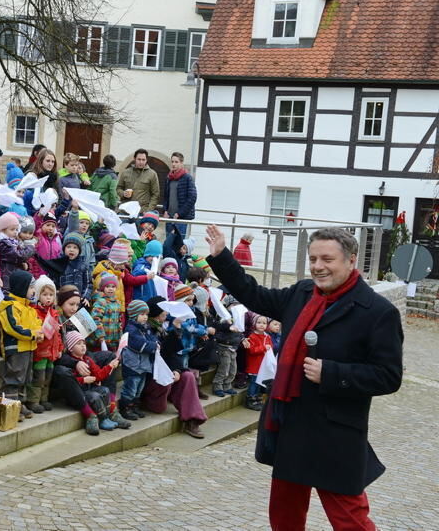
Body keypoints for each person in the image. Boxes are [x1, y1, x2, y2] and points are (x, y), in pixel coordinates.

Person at [204, 224, 403, 531]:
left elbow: (389, 376)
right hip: (291, 424)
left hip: (335, 434)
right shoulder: (302, 292)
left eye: (327, 259)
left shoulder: (377, 312)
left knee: (350, 520)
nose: (318, 267)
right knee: (284, 518)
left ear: (351, 260)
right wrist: (222, 256)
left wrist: (331, 373)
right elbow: (255, 295)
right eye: (313, 259)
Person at [141, 296, 208, 439]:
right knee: (160, 406)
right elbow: (156, 357)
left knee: (188, 376)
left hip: (166, 374)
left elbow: (171, 354)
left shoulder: (162, 328)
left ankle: (192, 420)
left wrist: (176, 370)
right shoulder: (146, 330)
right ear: (157, 314)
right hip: (152, 379)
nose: (166, 316)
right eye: (164, 314)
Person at [0, 270, 43, 421]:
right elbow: (13, 327)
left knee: (25, 378)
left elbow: (36, 324)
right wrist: (32, 334)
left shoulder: (28, 307)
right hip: (15, 348)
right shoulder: (10, 305)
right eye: (31, 288)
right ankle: (8, 405)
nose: (33, 291)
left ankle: (19, 403)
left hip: (28, 347)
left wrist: (40, 332)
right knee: (13, 377)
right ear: (22, 287)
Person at [26, 276, 63, 414]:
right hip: (41, 350)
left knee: (48, 376)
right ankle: (33, 400)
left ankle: (43, 398)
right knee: (38, 376)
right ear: (37, 294)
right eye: (45, 294)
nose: (48, 298)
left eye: (51, 295)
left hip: (51, 351)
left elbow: (58, 335)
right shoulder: (35, 311)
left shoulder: (54, 312)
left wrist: (59, 348)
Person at [118, 300, 157, 421]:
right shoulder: (131, 330)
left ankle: (134, 406)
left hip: (143, 365)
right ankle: (125, 408)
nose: (145, 317)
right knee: (130, 388)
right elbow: (141, 345)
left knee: (139, 389)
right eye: (142, 314)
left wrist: (155, 343)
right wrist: (154, 346)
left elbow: (153, 339)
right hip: (132, 366)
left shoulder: (145, 328)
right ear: (134, 315)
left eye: (146, 314)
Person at [0, 212, 36, 292]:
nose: (15, 232)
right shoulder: (3, 243)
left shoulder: (13, 242)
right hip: (6, 279)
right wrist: (31, 247)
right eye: (12, 229)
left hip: (13, 277)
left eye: (16, 229)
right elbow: (19, 256)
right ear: (3, 230)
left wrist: (26, 264)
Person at [162, 152, 197, 236]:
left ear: (181, 163)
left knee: (179, 245)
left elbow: (192, 197)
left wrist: (179, 213)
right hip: (169, 217)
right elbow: (166, 197)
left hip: (181, 218)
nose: (173, 164)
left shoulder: (187, 178)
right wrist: (165, 210)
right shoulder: (169, 178)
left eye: (176, 162)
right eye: (172, 161)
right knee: (168, 244)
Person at [116, 148, 159, 214]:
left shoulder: (152, 174)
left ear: (146, 160)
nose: (141, 162)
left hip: (141, 212)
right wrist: (123, 193)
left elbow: (156, 195)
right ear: (134, 159)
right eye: (139, 159)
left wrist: (148, 210)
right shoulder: (125, 172)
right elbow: (118, 188)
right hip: (125, 210)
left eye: (143, 160)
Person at [244, 314, 272, 411]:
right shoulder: (252, 336)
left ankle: (257, 398)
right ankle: (250, 399)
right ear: (254, 324)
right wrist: (264, 348)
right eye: (259, 322)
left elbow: (270, 348)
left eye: (264, 323)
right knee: (254, 382)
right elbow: (252, 350)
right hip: (254, 365)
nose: (261, 325)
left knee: (259, 383)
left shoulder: (267, 336)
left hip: (263, 365)